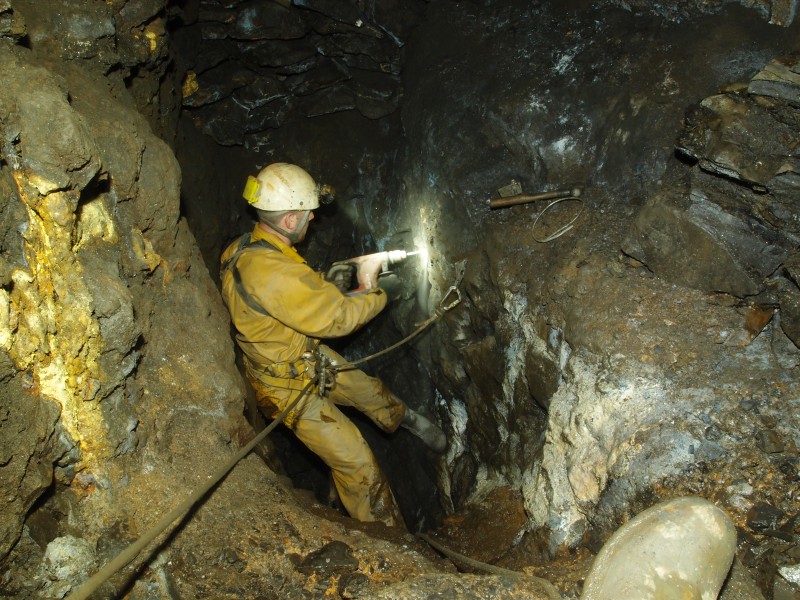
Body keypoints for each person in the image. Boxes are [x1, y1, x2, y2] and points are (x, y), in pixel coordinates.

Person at [220, 162, 447, 528]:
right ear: (289, 220)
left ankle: (406, 421)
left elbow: (296, 291)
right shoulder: (272, 272)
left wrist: (348, 275)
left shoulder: (250, 247)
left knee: (368, 390)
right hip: (284, 386)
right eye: (307, 213)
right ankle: (390, 539)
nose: (313, 217)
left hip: (303, 353)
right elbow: (337, 318)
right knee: (357, 462)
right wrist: (381, 294)